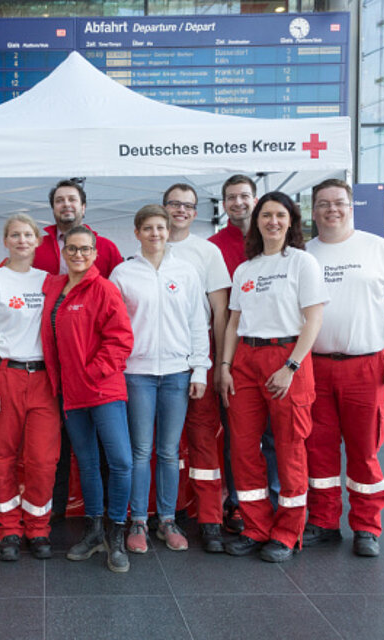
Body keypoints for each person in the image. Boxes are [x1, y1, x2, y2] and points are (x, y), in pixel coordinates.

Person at [304, 179, 384, 557]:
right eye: (323, 203)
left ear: (351, 207)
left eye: (338, 202)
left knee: (364, 449)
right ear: (313, 211)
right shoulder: (304, 254)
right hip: (314, 367)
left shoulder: (376, 248)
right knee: (317, 450)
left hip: (366, 366)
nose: (331, 209)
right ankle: (323, 520)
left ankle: (367, 526)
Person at [218, 191, 328, 563]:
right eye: (266, 215)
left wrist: (292, 367)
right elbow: (233, 323)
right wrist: (225, 367)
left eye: (280, 215)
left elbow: (313, 319)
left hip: (287, 356)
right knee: (245, 448)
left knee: (289, 447)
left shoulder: (301, 263)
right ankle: (255, 526)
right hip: (246, 359)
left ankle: (286, 532)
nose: (273, 221)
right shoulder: (245, 268)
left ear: (291, 221)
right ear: (257, 221)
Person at [110, 205, 209, 553]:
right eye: (148, 228)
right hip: (136, 375)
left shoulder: (186, 272)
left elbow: (198, 321)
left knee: (168, 451)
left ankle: (166, 519)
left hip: (177, 373)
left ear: (169, 232)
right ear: (136, 233)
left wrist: (200, 368)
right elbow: (113, 328)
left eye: (161, 228)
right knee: (140, 451)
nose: (155, 234)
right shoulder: (122, 274)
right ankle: (138, 520)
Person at [41, 226, 134, 573]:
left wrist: (93, 372)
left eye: (85, 250)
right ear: (63, 252)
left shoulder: (105, 289)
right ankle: (94, 532)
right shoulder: (53, 287)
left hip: (103, 390)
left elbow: (121, 339)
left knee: (121, 461)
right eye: (72, 249)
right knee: (88, 463)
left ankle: (117, 533)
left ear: (96, 253)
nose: (78, 255)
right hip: (71, 394)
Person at [0, 214, 60, 562]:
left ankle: (38, 529)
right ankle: (9, 528)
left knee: (42, 459)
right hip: (4, 374)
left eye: (28, 235)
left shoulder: (50, 281)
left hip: (43, 379)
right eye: (15, 235)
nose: (22, 240)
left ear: (38, 241)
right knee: (1, 456)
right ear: (5, 241)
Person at [37, 179, 124, 519]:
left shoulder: (107, 248)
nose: (67, 205)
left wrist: (97, 368)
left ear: (84, 206)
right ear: (53, 207)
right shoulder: (39, 245)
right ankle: (57, 519)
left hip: (97, 375)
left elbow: (116, 308)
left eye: (73, 199)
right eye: (60, 200)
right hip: (57, 374)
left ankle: (109, 523)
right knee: (60, 451)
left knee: (108, 457)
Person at [208, 174, 281, 533]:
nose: (238, 203)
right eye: (231, 197)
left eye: (244, 196)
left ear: (256, 200)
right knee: (240, 436)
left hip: (277, 353)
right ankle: (239, 503)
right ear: (223, 204)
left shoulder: (274, 240)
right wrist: (223, 362)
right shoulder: (213, 247)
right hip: (235, 355)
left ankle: (278, 502)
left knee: (275, 436)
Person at [162, 183, 232, 552]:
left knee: (204, 440)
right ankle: (165, 514)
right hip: (159, 359)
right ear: (163, 207)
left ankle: (210, 519)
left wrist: (219, 364)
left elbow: (220, 312)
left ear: (195, 212)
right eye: (174, 204)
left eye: (188, 206)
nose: (181, 211)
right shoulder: (147, 248)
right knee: (163, 444)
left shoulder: (208, 252)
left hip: (198, 352)